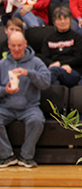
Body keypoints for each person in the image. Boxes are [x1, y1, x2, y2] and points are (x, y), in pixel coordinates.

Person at [0, 31, 50, 168]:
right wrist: (5, 90)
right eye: (13, 45)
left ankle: (26, 156)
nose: (16, 49)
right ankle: (6, 156)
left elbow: (46, 82)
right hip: (5, 107)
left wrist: (29, 73)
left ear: (25, 44)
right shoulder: (2, 64)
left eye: (19, 45)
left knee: (37, 120)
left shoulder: (36, 62)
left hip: (30, 107)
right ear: (9, 45)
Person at [39, 6, 82, 87]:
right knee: (55, 82)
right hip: (53, 70)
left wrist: (60, 64)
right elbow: (44, 57)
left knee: (52, 72)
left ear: (70, 20)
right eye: (59, 19)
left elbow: (78, 58)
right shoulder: (48, 38)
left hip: (72, 72)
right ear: (54, 22)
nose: (63, 22)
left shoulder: (77, 37)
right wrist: (54, 65)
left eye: (65, 18)